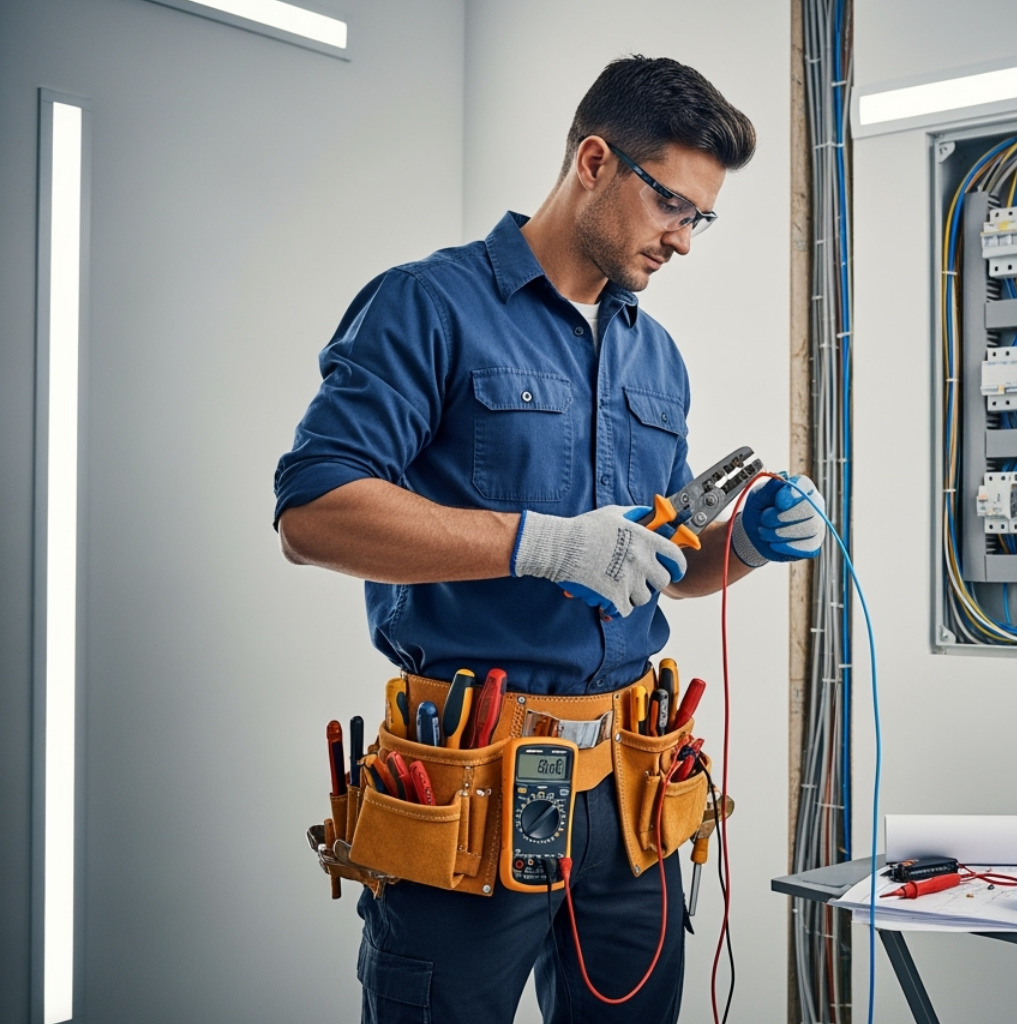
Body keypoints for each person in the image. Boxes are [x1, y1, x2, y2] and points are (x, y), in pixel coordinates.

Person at [273, 55, 824, 1024]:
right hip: (468, 792)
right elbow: (313, 513)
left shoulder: (654, 354)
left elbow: (658, 564)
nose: (686, 241)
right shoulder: (427, 306)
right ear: (596, 161)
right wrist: (543, 543)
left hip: (635, 796)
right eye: (673, 207)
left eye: (703, 218)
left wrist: (745, 544)